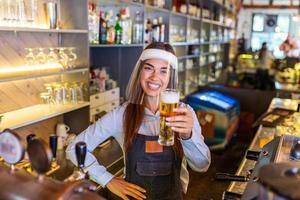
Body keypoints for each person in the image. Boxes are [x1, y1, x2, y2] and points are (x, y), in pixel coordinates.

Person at [66, 42, 211, 200]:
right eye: (149, 68)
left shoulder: (184, 113)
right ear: (139, 71)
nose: (155, 77)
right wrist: (107, 179)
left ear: (170, 77)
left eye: (164, 71)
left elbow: (202, 166)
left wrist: (187, 136)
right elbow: (73, 148)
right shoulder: (122, 114)